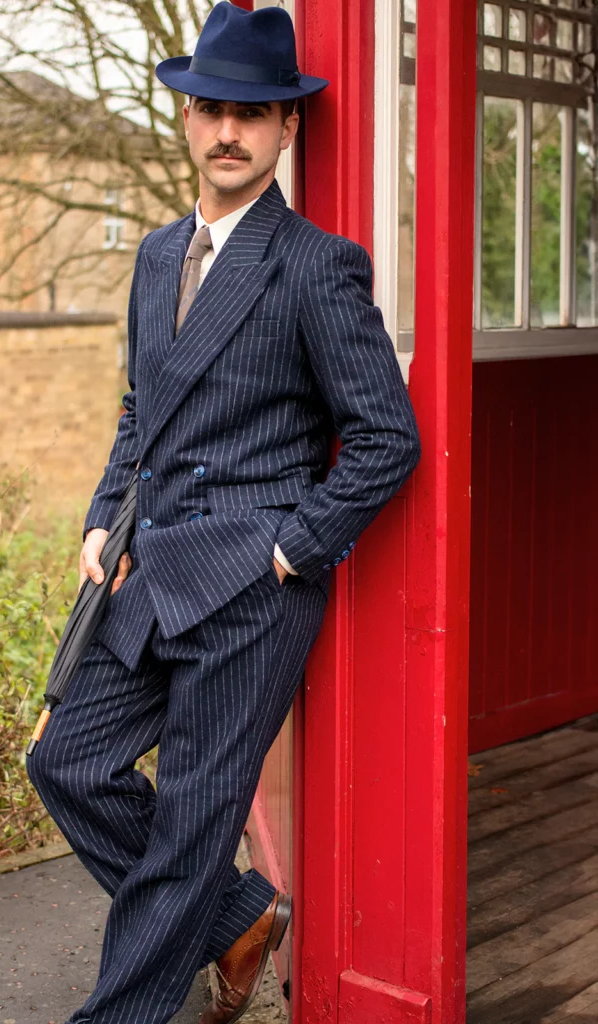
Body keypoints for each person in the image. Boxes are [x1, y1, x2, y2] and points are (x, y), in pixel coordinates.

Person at [26, 5, 421, 1024]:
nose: (227, 130)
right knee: (63, 761)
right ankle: (241, 914)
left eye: (251, 111)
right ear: (186, 119)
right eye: (210, 107)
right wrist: (103, 514)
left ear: (287, 128)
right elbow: (139, 410)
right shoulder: (158, 256)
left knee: (192, 825)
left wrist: (296, 547)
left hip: (251, 581)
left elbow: (388, 437)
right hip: (148, 565)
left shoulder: (315, 265)